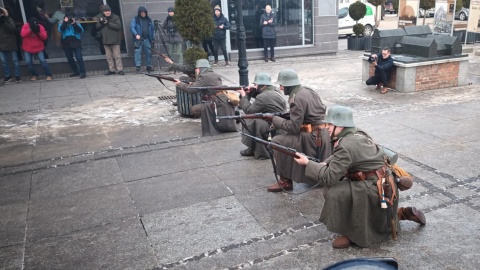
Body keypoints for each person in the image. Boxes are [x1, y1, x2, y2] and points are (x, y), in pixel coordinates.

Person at [295, 105, 426, 249]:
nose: (325, 127)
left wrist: (308, 163)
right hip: (384, 181)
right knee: (343, 189)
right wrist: (326, 162)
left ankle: (353, 234)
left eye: (329, 124)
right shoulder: (358, 133)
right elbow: (347, 155)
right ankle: (399, 214)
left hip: (373, 187)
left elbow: (329, 177)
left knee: (333, 191)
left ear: (340, 126)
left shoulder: (345, 144)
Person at [264, 69, 332, 192]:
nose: (280, 88)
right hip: (323, 133)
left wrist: (275, 119)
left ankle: (285, 182)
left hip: (313, 137)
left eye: (282, 85)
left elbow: (293, 128)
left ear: (288, 86)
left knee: (276, 142)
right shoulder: (307, 90)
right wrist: (287, 115)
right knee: (285, 137)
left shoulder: (296, 99)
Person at [174, 59, 237, 136]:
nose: (195, 70)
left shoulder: (203, 76)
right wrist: (193, 83)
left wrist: (179, 84)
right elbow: (204, 84)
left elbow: (191, 90)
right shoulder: (214, 74)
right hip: (223, 99)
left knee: (194, 109)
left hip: (216, 102)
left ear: (201, 68)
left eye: (196, 69)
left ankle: (212, 118)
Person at [236, 73, 287, 159]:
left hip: (273, 126)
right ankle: (253, 147)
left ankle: (257, 149)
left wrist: (244, 96)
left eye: (256, 84)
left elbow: (249, 110)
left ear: (262, 85)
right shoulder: (275, 90)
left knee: (248, 120)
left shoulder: (263, 96)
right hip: (279, 124)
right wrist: (250, 92)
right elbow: (262, 97)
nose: (255, 86)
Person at [96, 5, 124, 75]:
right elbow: (97, 27)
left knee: (117, 56)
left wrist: (108, 23)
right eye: (106, 11)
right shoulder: (101, 18)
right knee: (109, 57)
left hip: (115, 40)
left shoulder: (115, 17)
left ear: (110, 11)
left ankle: (120, 69)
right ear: (103, 12)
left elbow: (118, 26)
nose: (107, 12)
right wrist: (102, 23)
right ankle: (111, 70)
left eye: (108, 11)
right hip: (106, 41)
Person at [59, 13, 86, 79]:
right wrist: (65, 22)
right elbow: (60, 30)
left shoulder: (76, 22)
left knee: (79, 58)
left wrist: (74, 24)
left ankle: (82, 72)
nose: (69, 20)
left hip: (76, 41)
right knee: (70, 59)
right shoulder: (62, 23)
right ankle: (75, 71)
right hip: (66, 42)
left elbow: (81, 30)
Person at [130, 6, 154, 73]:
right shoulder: (135, 19)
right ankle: (138, 66)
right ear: (139, 13)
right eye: (141, 12)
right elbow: (132, 27)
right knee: (137, 52)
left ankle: (149, 66)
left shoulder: (149, 19)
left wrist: (153, 38)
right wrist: (136, 34)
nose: (143, 13)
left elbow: (152, 29)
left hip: (147, 39)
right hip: (138, 39)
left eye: (144, 12)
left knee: (148, 53)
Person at [0, 7, 21, 82]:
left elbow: (12, 29)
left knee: (15, 60)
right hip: (1, 44)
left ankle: (17, 76)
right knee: (4, 61)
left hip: (11, 43)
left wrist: (5, 20)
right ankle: (7, 76)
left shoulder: (9, 19)